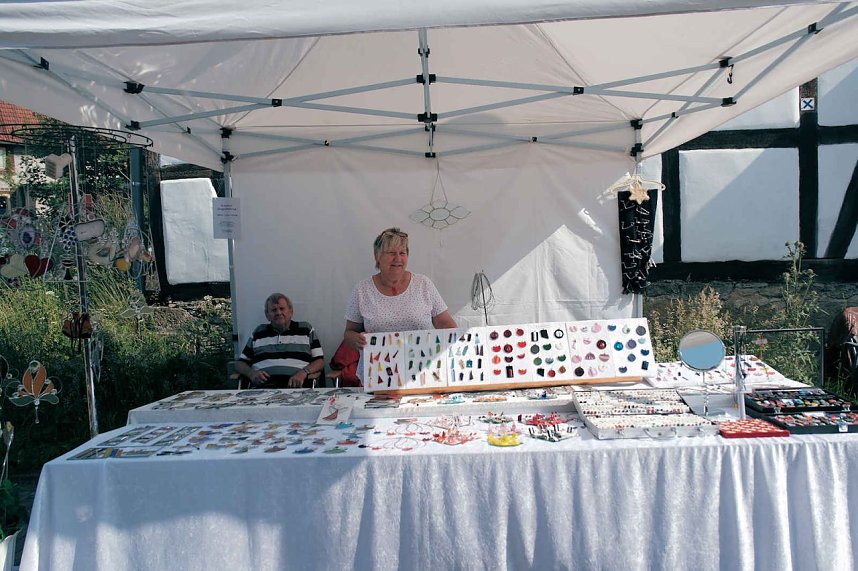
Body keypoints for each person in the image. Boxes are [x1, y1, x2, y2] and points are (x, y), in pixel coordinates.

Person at [344, 228, 457, 363]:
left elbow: (446, 325)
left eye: (402, 253)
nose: (398, 259)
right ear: (377, 256)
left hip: (422, 367)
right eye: (391, 253)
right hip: (379, 370)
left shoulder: (423, 284)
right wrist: (356, 340)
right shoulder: (362, 290)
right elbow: (349, 333)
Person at [235, 293, 324, 388]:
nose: (278, 313)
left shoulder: (305, 329)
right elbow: (240, 363)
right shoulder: (258, 332)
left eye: (282, 309)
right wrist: (251, 373)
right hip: (262, 389)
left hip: (297, 388)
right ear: (267, 315)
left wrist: (304, 372)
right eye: (274, 310)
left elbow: (320, 361)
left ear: (291, 311)